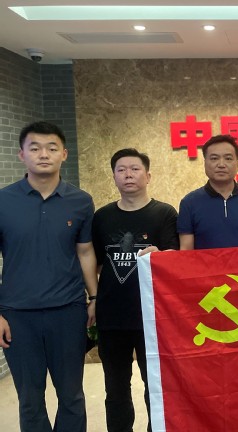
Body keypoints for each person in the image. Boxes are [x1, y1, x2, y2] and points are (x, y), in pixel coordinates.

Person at [0, 121, 97, 432]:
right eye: (35, 148)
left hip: (68, 312)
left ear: (64, 154)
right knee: (30, 399)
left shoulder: (80, 201)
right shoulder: (3, 201)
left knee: (71, 396)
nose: (44, 154)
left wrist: (94, 297)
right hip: (17, 315)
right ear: (21, 155)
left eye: (52, 148)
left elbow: (85, 252)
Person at [92, 148, 179, 432]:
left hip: (153, 317)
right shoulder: (102, 216)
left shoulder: (164, 213)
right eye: (121, 170)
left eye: (135, 169)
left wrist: (161, 255)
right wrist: (93, 298)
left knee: (155, 386)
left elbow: (176, 257)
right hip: (111, 316)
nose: (128, 175)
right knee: (115, 389)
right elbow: (94, 261)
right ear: (114, 176)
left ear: (148, 176)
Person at [178, 135, 238, 249]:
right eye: (214, 158)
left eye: (228, 158)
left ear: (237, 164)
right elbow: (186, 250)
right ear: (205, 163)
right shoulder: (189, 203)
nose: (221, 164)